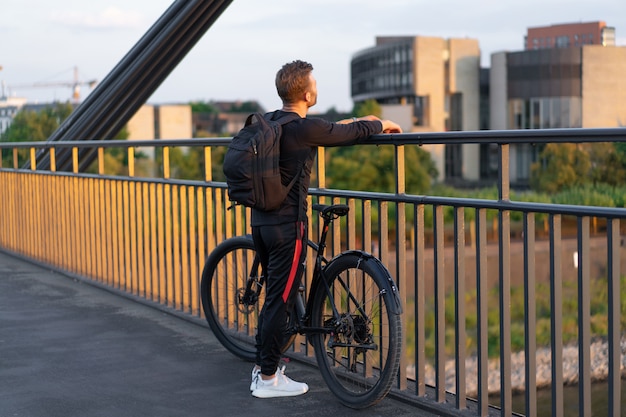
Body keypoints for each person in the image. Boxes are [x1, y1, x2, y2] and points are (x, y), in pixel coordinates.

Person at [249, 60, 403, 399]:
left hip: (260, 223)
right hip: (288, 228)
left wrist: (365, 122)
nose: (316, 88)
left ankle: (265, 365)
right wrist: (380, 123)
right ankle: (267, 378)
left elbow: (337, 126)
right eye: (315, 84)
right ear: (307, 93)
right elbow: (348, 133)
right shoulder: (303, 129)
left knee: (275, 296)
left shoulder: (271, 122)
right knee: (280, 299)